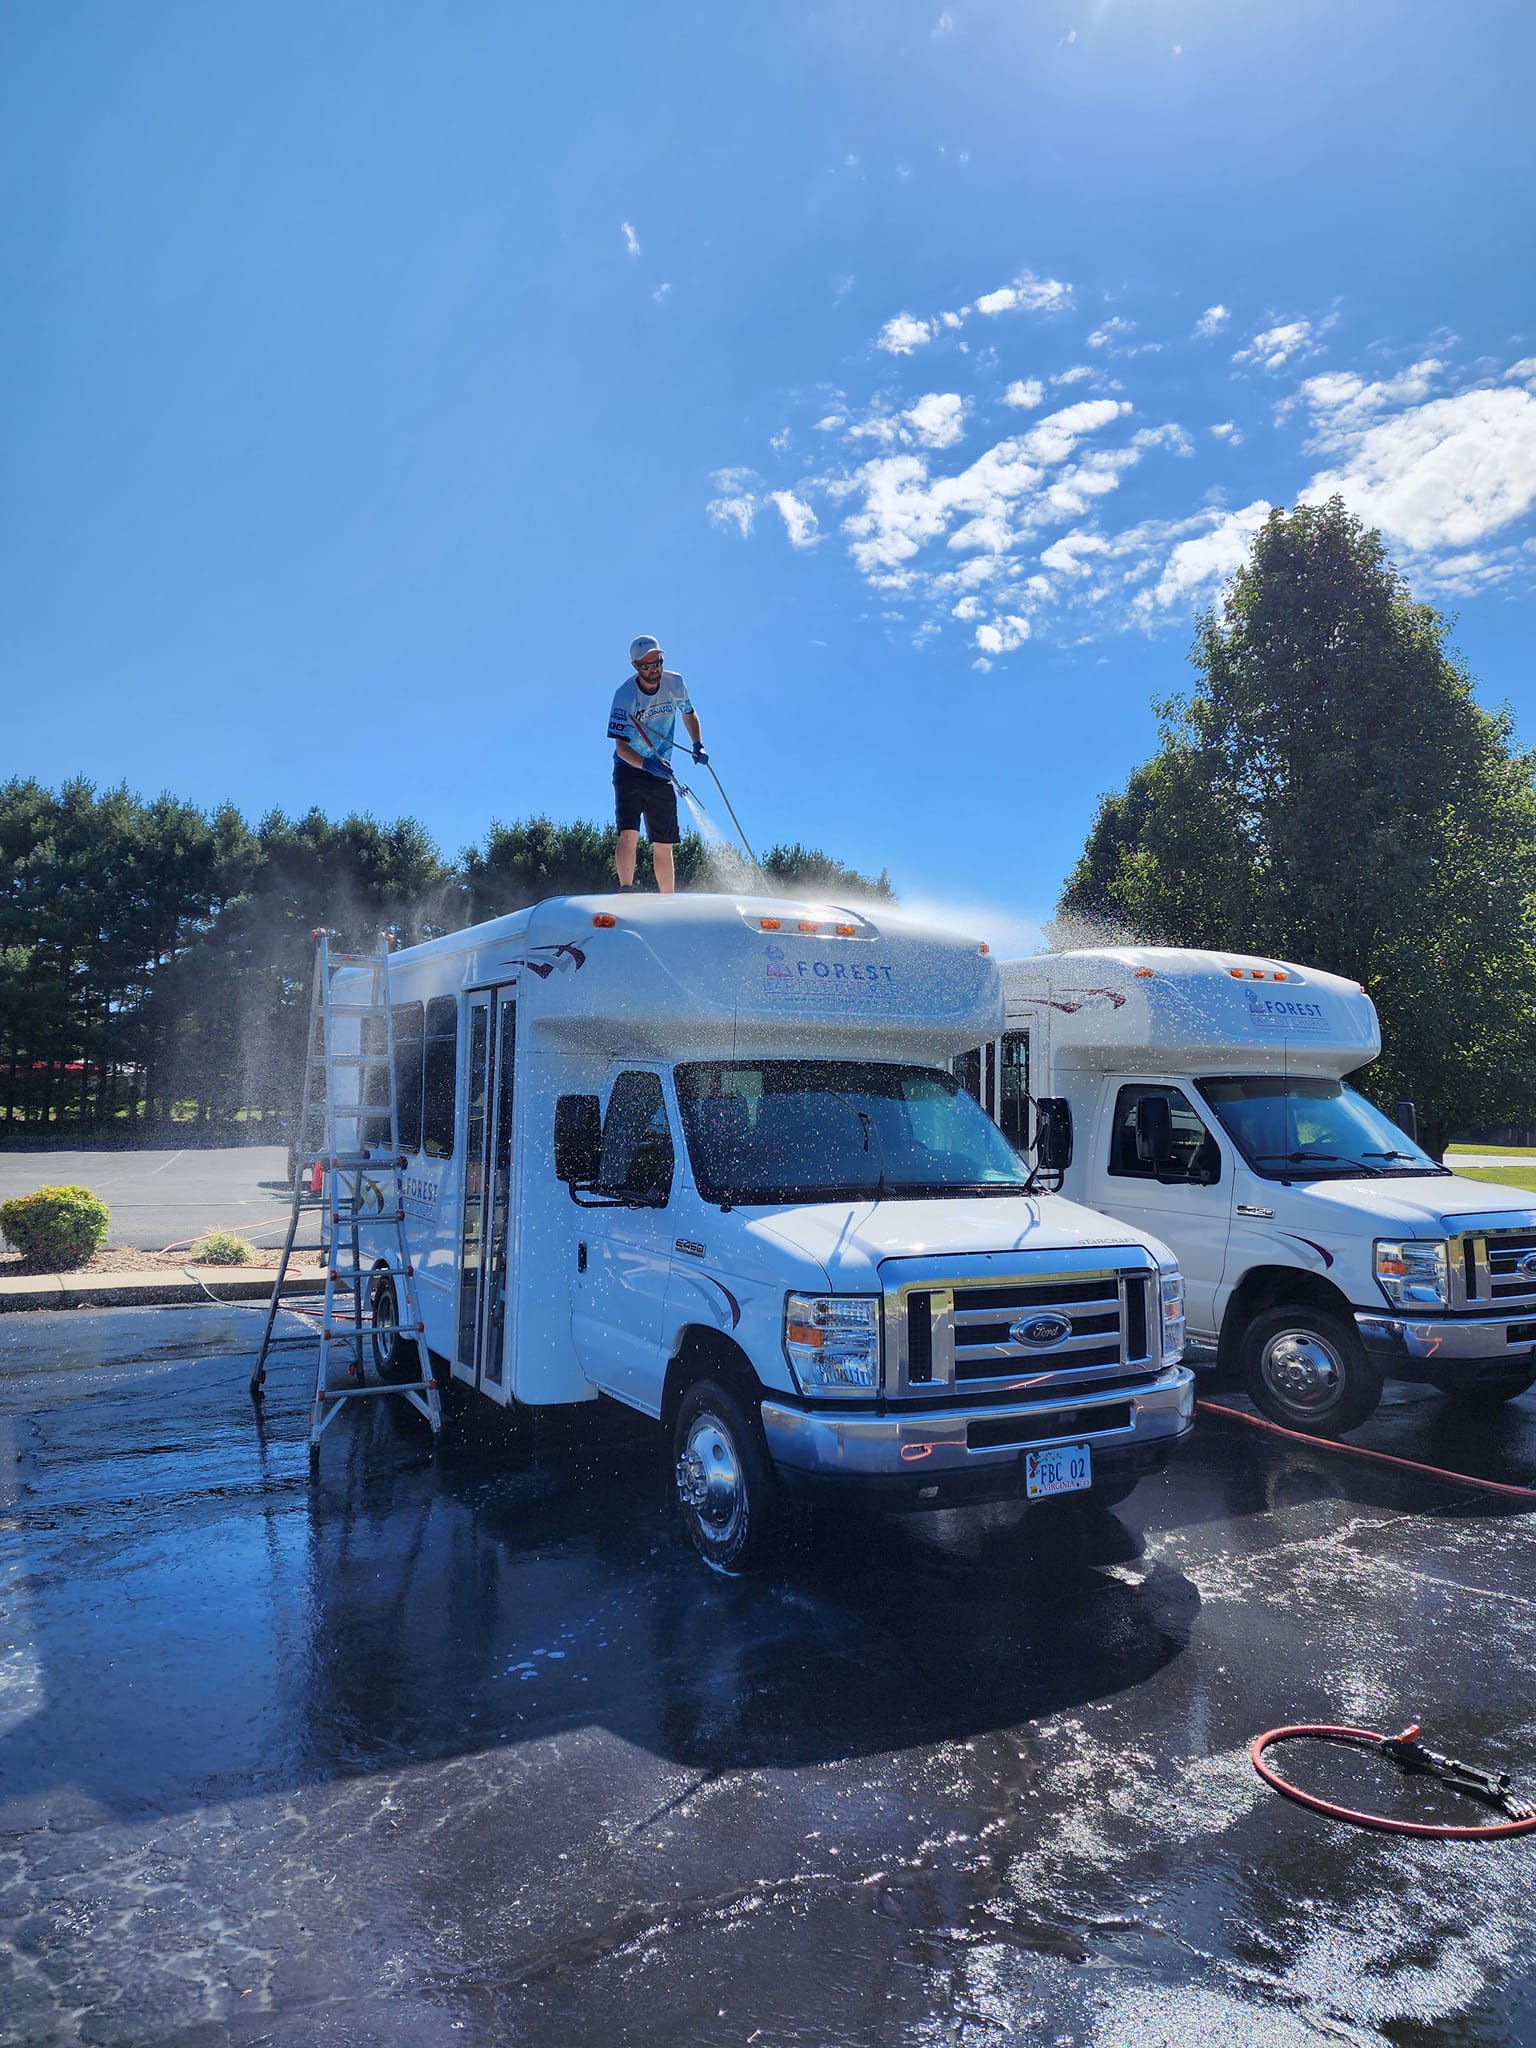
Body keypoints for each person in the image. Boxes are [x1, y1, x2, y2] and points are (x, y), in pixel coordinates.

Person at [607, 635, 707, 892]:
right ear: (635, 666)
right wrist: (646, 764)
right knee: (629, 833)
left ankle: (667, 899)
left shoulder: (676, 683)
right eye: (647, 666)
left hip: (661, 771)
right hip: (630, 769)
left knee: (664, 842)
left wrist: (697, 744)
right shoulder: (624, 695)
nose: (654, 670)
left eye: (658, 663)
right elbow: (621, 746)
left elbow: (688, 712)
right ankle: (626, 890)